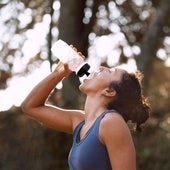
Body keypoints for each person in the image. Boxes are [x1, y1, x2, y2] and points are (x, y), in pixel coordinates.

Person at [21, 50, 150, 170]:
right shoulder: (80, 122)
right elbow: (30, 107)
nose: (101, 68)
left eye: (110, 71)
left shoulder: (111, 122)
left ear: (109, 91)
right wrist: (58, 74)